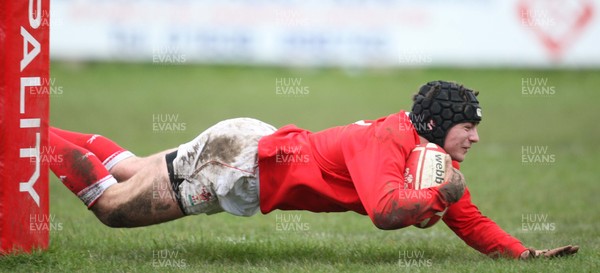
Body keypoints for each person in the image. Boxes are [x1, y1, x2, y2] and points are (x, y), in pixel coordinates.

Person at [49, 80, 578, 260]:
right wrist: (443, 193)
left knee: (131, 169)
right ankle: (26, 137)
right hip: (241, 166)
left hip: (248, 144)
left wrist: (523, 255)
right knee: (114, 210)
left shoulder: (422, 152)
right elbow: (387, 214)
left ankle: (31, 131)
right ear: (441, 125)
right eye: (469, 127)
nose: (477, 137)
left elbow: (468, 216)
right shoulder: (390, 140)